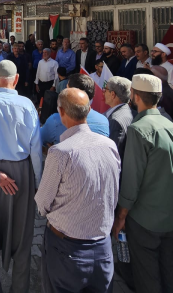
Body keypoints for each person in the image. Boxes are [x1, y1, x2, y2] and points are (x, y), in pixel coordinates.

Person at [36, 88, 121, 293]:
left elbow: (42, 203)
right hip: (102, 246)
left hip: (67, 248)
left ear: (61, 112)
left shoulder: (60, 153)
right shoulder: (109, 145)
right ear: (89, 109)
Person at [112, 74, 173, 293]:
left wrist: (121, 215)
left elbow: (132, 179)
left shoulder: (139, 129)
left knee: (147, 274)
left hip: (144, 218)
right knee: (170, 270)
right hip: (171, 214)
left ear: (134, 96)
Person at [0, 60, 42, 293]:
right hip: (21, 173)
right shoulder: (27, 104)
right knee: (23, 236)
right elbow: (35, 147)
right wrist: (38, 183)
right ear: (17, 79)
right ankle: (20, 288)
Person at [104, 75, 134, 158]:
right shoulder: (133, 113)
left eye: (105, 89)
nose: (103, 92)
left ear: (113, 94)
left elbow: (111, 155)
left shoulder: (114, 121)